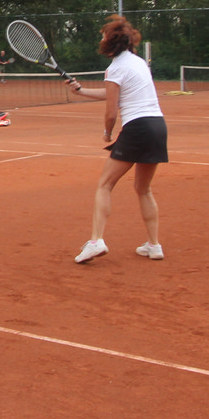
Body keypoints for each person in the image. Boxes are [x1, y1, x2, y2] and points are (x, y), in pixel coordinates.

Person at [64, 15, 167, 262]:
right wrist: (81, 91)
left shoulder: (116, 68)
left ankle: (96, 241)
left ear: (110, 43)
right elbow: (114, 93)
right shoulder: (138, 62)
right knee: (143, 189)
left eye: (103, 37)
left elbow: (111, 112)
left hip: (137, 128)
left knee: (105, 185)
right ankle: (154, 246)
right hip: (157, 126)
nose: (100, 40)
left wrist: (108, 133)